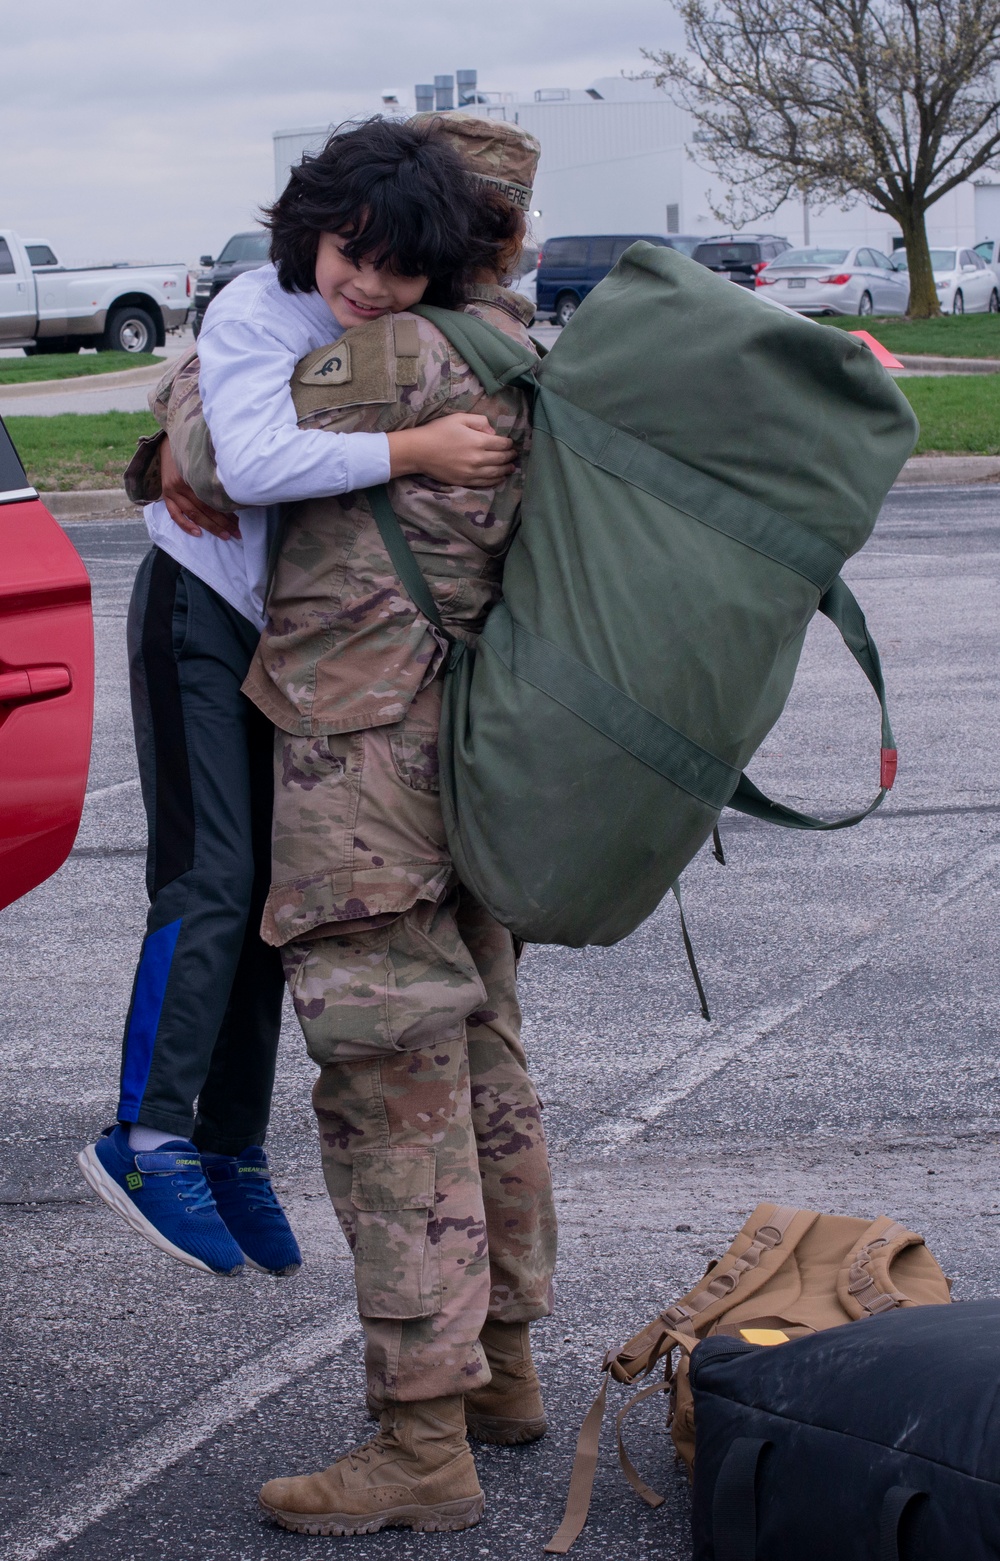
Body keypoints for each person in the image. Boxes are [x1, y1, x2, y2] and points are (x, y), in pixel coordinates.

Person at [139, 114, 557, 1538]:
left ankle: (419, 1441)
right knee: (487, 1056)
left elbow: (193, 446)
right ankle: (504, 1371)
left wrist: (200, 361)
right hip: (472, 758)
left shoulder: (371, 361)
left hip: (361, 768)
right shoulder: (523, 360)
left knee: (394, 1090)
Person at [77, 117, 515, 1280]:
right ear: (309, 232)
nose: (367, 284)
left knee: (272, 897)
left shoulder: (428, 330)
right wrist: (416, 452)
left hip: (296, 643)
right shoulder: (255, 313)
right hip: (199, 612)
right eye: (348, 253)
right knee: (211, 877)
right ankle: (144, 1135)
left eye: (399, 265)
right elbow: (256, 463)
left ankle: (230, 1147)